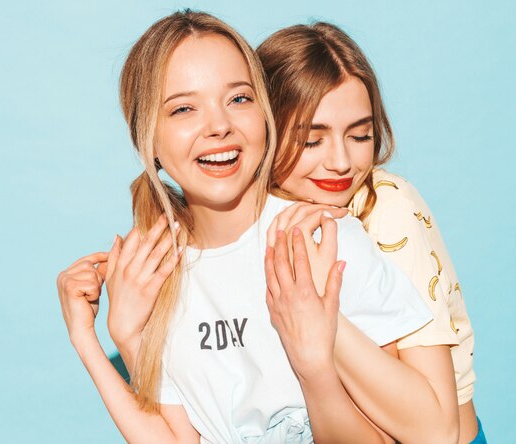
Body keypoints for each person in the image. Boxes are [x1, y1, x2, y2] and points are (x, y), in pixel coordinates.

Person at [57, 10, 440, 444]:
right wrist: (90, 339)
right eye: (183, 109)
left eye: (239, 99)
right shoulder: (155, 276)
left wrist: (315, 362)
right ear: (149, 139)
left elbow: (398, 437)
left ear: (265, 115)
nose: (219, 126)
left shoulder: (320, 239)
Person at [258, 22, 484, 443]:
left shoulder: (387, 207)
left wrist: (314, 311)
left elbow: (437, 429)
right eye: (312, 141)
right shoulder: (263, 216)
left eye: (360, 135)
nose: (341, 162)